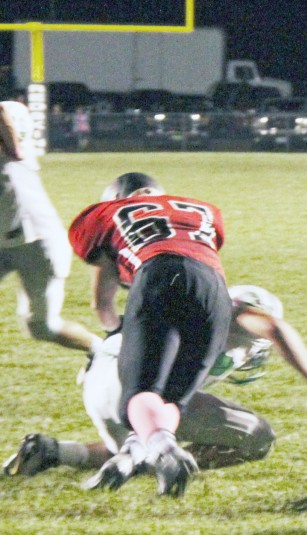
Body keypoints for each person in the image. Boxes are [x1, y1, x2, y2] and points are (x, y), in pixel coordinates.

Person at [3, 284, 307, 478]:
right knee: (259, 438)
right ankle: (166, 465)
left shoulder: (187, 300)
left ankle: (52, 451)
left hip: (104, 384)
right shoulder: (236, 314)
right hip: (133, 388)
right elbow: (274, 328)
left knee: (138, 445)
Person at [67, 171, 232, 497]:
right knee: (170, 398)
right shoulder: (203, 209)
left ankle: (165, 452)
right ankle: (141, 450)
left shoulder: (106, 214)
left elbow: (102, 303)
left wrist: (119, 335)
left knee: (139, 393)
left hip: (160, 275)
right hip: (216, 291)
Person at [0, 99, 104, 355]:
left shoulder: (14, 157)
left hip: (37, 245)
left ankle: (100, 351)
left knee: (42, 326)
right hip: (7, 243)